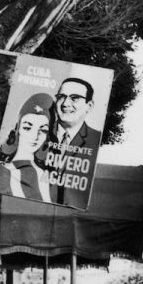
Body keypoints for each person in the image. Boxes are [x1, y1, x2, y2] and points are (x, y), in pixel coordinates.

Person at [0, 93, 55, 202]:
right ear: (18, 130)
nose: (35, 136)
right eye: (27, 128)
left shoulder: (47, 175)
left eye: (43, 130)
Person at [49, 77, 102, 208]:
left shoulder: (95, 140)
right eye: (61, 97)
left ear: (89, 106)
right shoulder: (37, 133)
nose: (65, 103)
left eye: (74, 98)